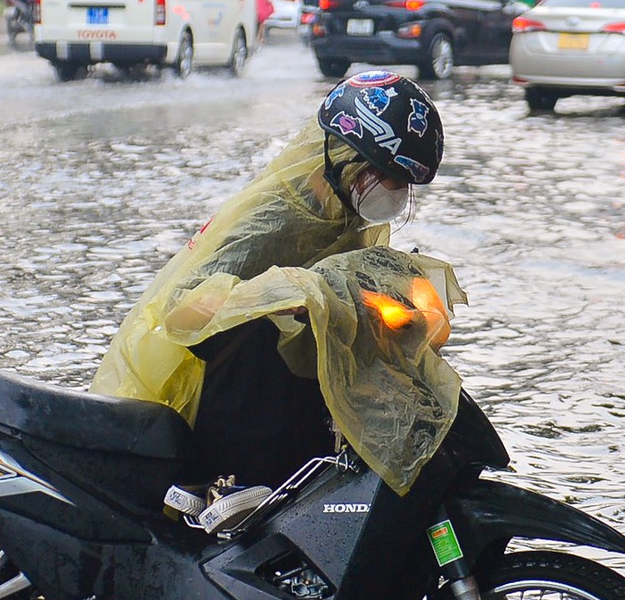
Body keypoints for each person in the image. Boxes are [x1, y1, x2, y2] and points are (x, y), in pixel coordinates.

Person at [92, 72, 459, 498]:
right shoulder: (275, 219)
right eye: (389, 179)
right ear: (347, 160)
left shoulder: (344, 218)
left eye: (404, 186)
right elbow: (181, 308)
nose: (396, 194)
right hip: (219, 396)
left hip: (287, 394)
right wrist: (278, 296)